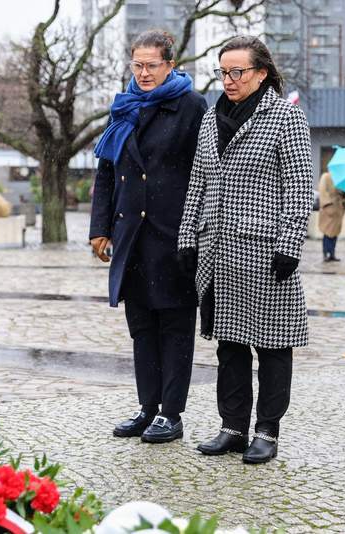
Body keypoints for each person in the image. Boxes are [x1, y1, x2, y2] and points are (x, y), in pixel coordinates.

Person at [177, 36, 313, 464]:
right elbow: (198, 181)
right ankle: (232, 427)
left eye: (237, 71)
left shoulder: (286, 117)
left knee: (273, 346)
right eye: (223, 71)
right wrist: (186, 237)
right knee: (229, 345)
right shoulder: (210, 118)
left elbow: (299, 185)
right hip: (216, 251)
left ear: (261, 73)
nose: (229, 79)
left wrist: (290, 243)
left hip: (265, 252)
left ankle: (267, 431)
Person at [89, 30, 207, 444]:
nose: (143, 73)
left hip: (174, 235)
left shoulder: (191, 106)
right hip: (131, 237)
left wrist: (195, 232)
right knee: (141, 327)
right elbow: (107, 172)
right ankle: (147, 407)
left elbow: (204, 175)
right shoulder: (122, 108)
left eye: (151, 65)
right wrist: (100, 228)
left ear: (170, 65)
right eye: (136, 65)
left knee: (174, 326)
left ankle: (171, 414)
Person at [317, 170, 345, 262]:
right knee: (327, 231)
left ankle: (332, 253)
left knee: (335, 231)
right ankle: (325, 253)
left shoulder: (340, 179)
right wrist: (327, 204)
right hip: (329, 206)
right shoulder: (326, 176)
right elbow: (322, 190)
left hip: (338, 207)